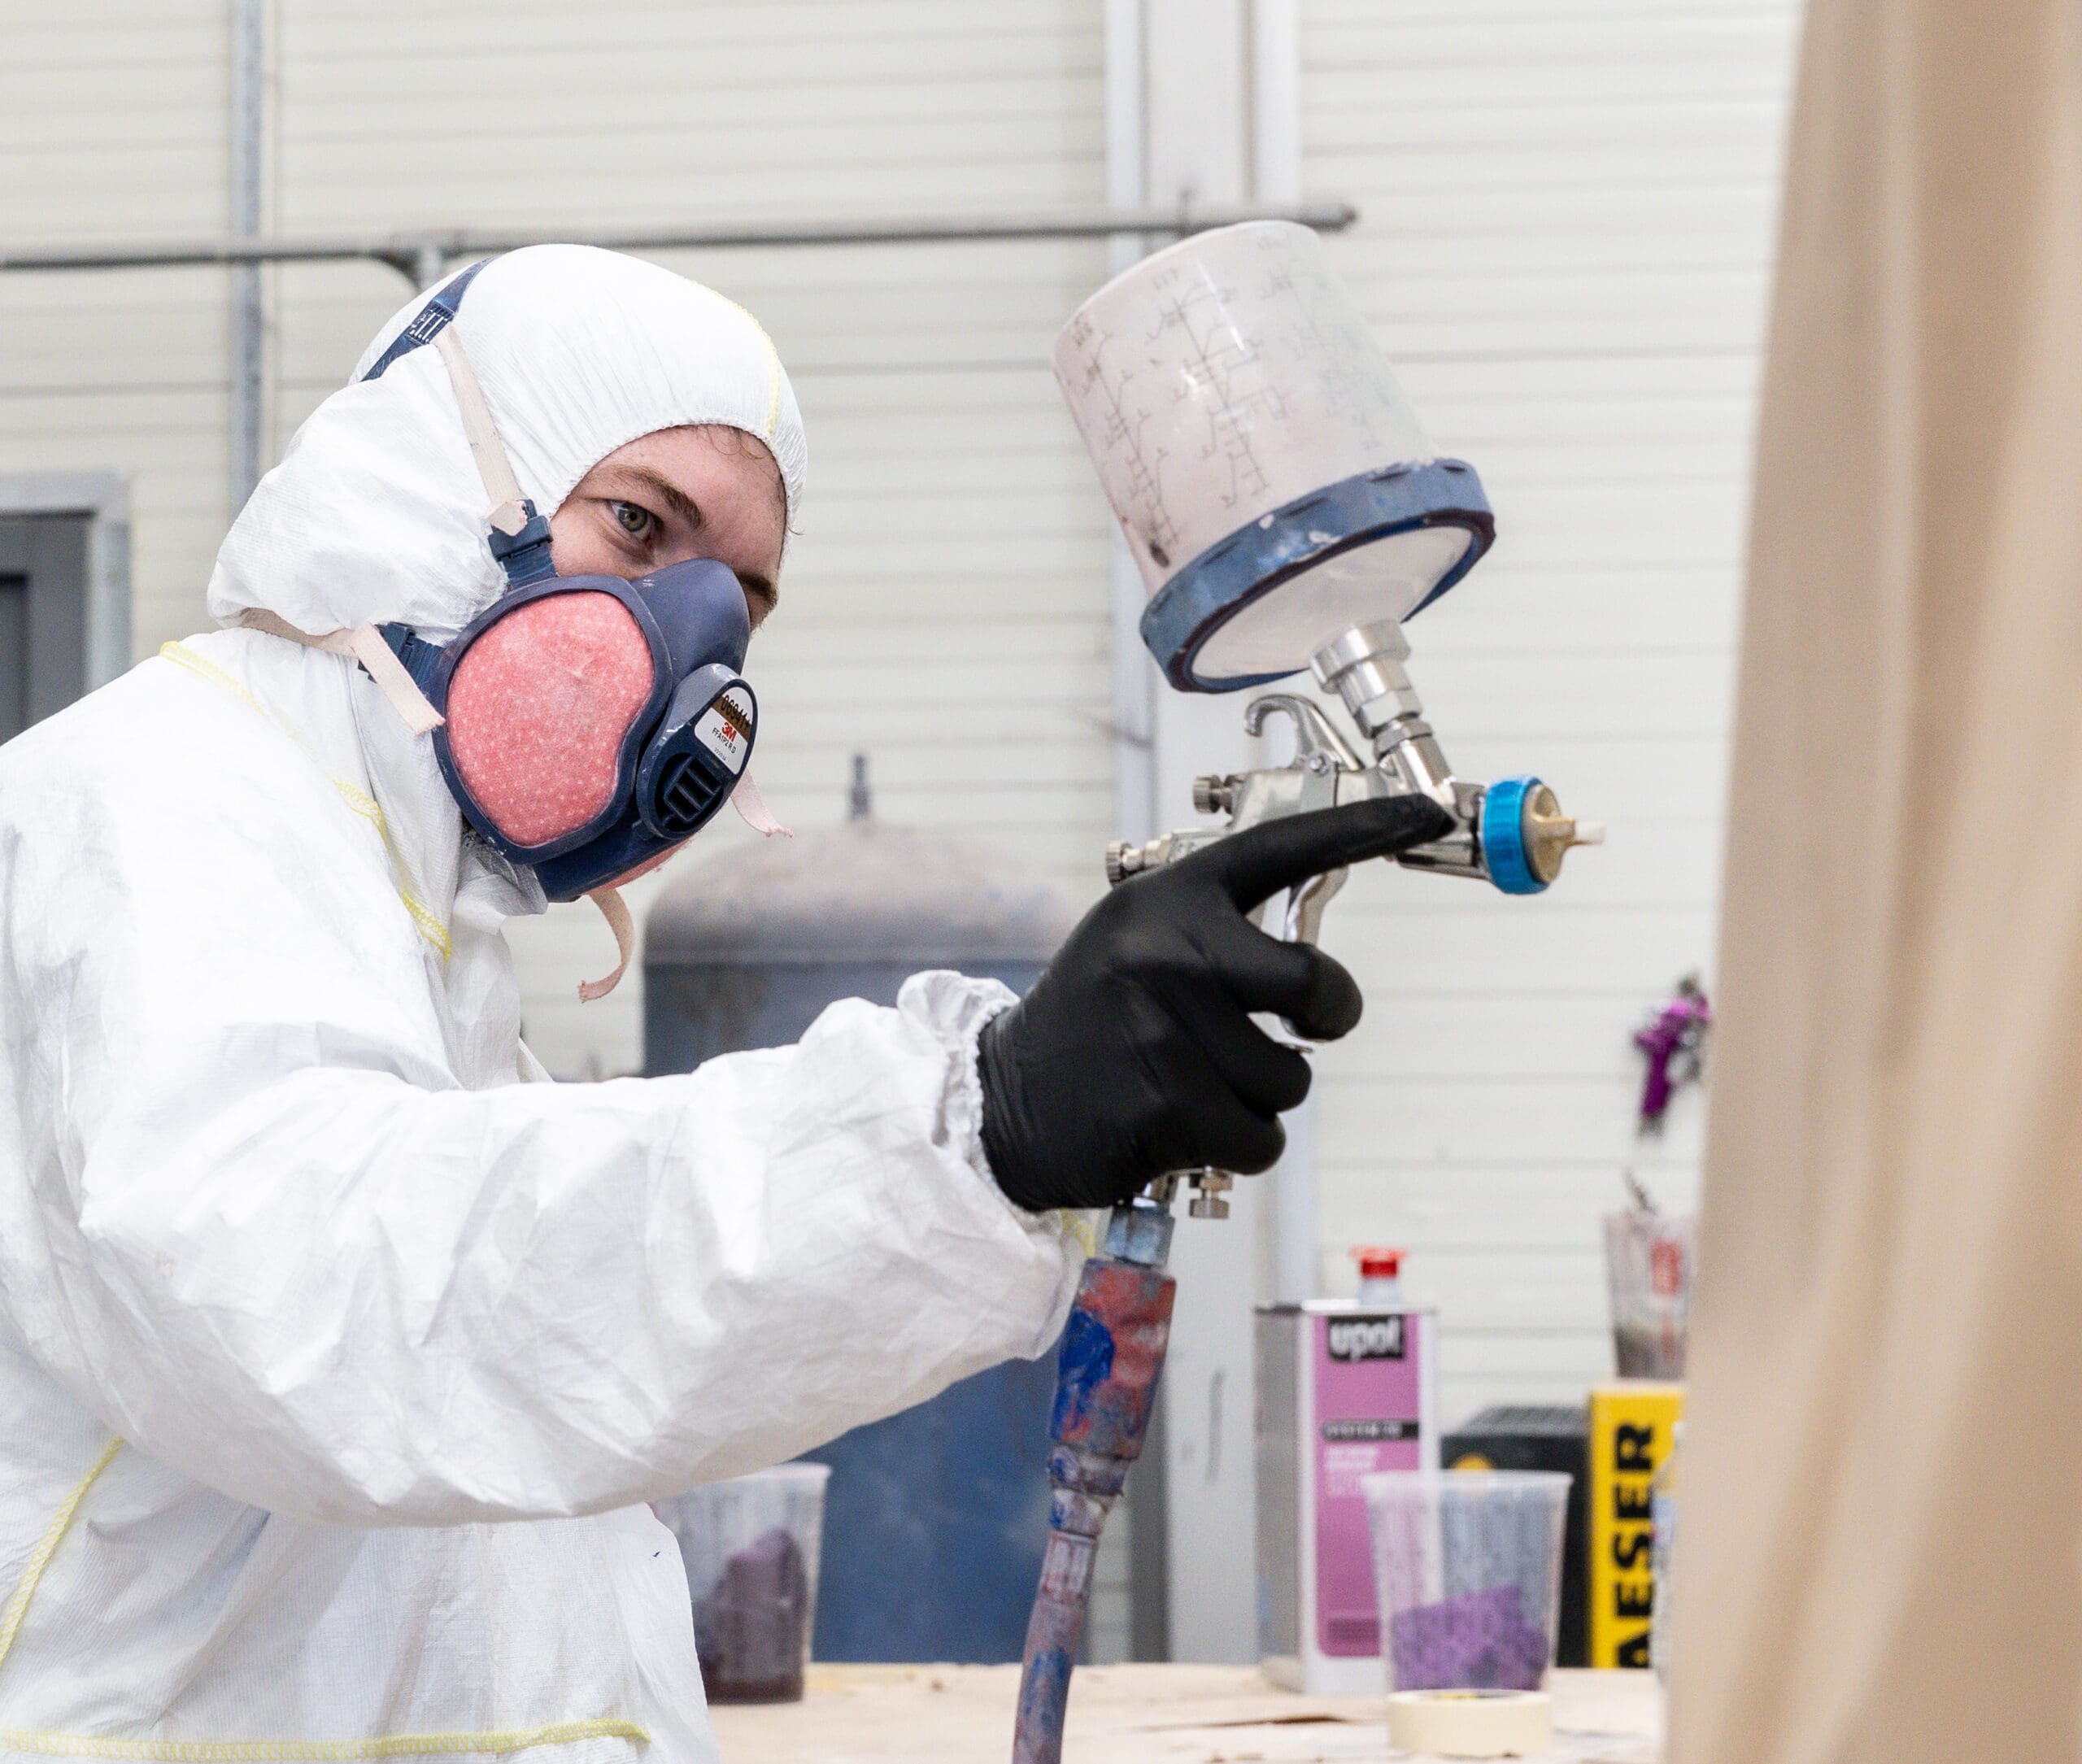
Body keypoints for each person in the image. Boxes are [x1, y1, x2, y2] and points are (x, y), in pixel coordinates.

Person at [0, 246, 1444, 1758]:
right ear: (427, 479)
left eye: (740, 597)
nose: (688, 638)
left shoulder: (416, 929)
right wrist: (972, 1129)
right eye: (638, 523)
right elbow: (347, 1296)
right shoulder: (157, 804)